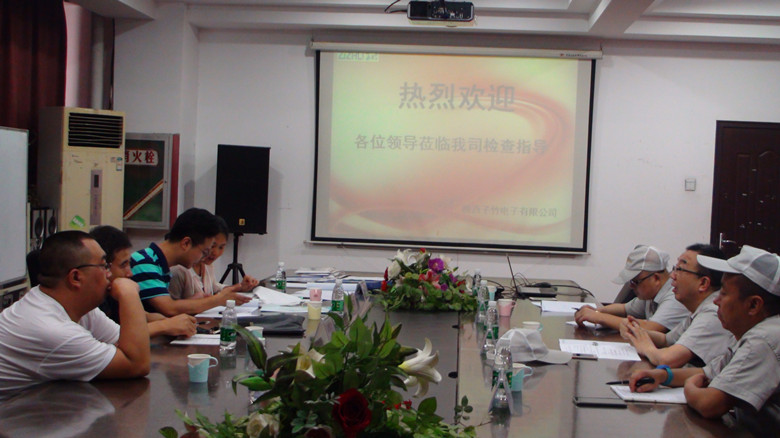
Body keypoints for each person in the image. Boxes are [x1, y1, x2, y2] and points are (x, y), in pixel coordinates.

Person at [629, 245, 780, 429]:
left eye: (724, 293)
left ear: (753, 305)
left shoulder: (764, 338)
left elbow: (709, 404)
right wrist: (662, 376)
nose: (716, 300)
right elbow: (707, 373)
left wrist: (690, 386)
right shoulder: (747, 334)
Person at [0, 231, 149, 395]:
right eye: (103, 266)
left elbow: (127, 343)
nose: (110, 274)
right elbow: (137, 364)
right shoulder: (52, 329)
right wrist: (129, 294)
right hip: (12, 409)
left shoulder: (79, 307)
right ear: (76, 277)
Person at [621, 244, 734, 367]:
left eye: (680, 269)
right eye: (675, 268)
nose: (672, 276)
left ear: (703, 283)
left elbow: (666, 360)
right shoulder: (699, 308)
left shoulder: (713, 313)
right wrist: (637, 331)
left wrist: (645, 347)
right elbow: (666, 340)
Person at [130, 207, 251, 316]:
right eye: (204, 252)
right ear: (186, 243)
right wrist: (218, 299)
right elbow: (169, 308)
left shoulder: (161, 266)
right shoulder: (145, 262)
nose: (203, 258)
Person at [89, 225, 197, 338]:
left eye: (129, 264)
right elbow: (116, 335)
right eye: (123, 265)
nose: (130, 273)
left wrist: (171, 321)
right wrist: (165, 325)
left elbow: (143, 316)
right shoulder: (92, 305)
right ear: (103, 267)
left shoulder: (112, 294)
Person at [575, 245, 689, 332]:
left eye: (635, 281)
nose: (631, 286)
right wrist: (597, 310)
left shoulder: (675, 296)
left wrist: (599, 317)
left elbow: (651, 328)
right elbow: (624, 309)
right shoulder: (651, 295)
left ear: (656, 278)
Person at [169, 216, 259, 300]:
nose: (215, 252)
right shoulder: (178, 270)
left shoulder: (207, 265)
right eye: (212, 246)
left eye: (221, 247)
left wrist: (240, 287)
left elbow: (215, 287)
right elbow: (171, 307)